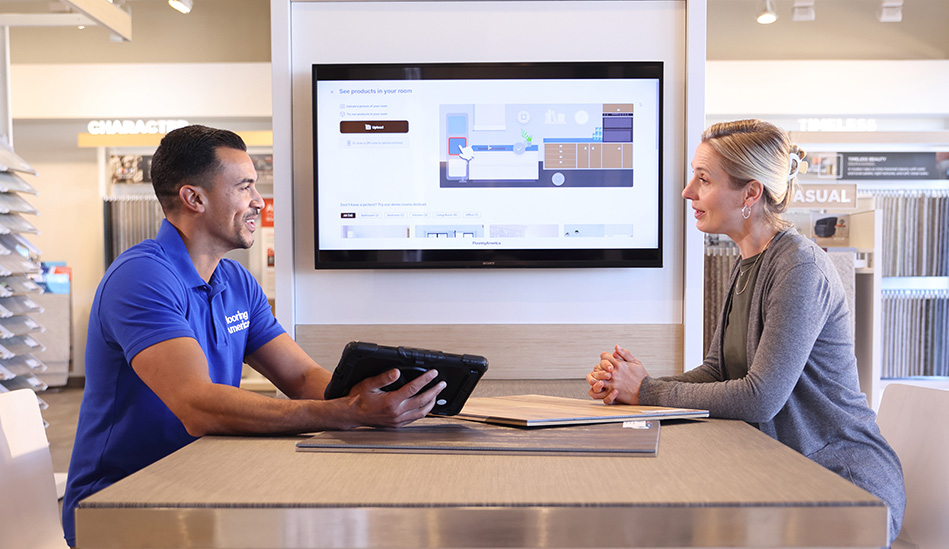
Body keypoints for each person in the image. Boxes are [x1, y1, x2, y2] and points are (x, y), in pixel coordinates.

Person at [62, 125, 445, 547]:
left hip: (203, 482)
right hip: (121, 505)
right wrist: (348, 411)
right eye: (244, 187)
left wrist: (378, 396)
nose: (258, 202)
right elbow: (198, 407)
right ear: (194, 198)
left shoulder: (236, 282)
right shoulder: (142, 277)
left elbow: (301, 378)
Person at [586, 119, 905, 545]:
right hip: (783, 474)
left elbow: (761, 397)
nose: (687, 192)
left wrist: (647, 392)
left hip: (842, 487)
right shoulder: (749, 261)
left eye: (703, 179)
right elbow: (719, 370)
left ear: (751, 193)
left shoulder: (798, 267)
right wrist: (636, 384)